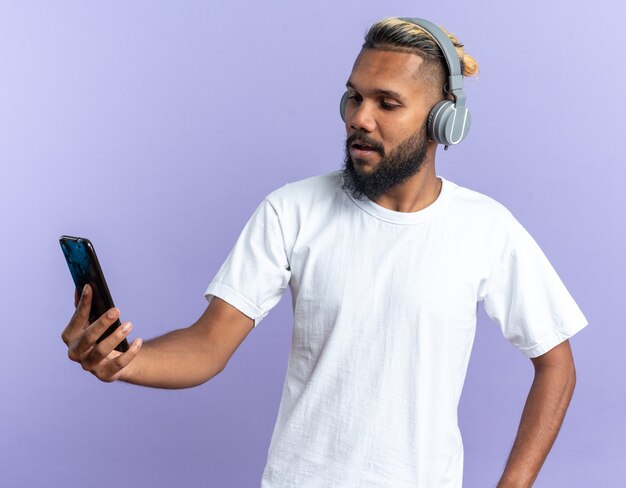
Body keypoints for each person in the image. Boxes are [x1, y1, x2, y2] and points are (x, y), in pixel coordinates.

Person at [62, 17, 588, 488]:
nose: (360, 117)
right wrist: (126, 362)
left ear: (443, 122)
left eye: (387, 102)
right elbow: (207, 345)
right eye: (353, 97)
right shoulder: (291, 210)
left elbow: (556, 365)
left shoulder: (487, 229)